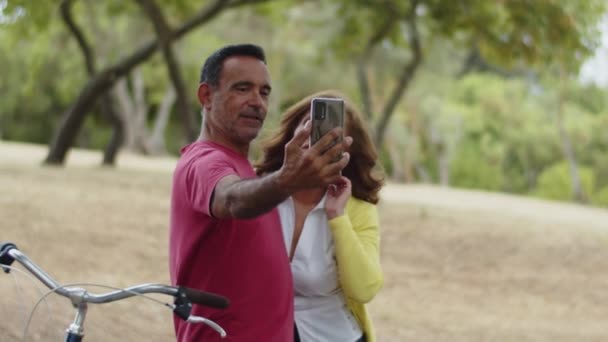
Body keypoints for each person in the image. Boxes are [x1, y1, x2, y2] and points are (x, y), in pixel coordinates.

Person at [168, 45, 352, 342]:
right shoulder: (204, 162)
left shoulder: (244, 168)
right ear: (206, 96)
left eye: (264, 92)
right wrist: (287, 180)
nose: (257, 102)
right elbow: (232, 199)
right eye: (242, 89)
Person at [256, 91, 385, 342]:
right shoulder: (257, 191)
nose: (313, 138)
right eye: (308, 125)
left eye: (328, 133)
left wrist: (338, 217)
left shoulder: (357, 209)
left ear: (347, 150)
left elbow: (364, 288)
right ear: (292, 131)